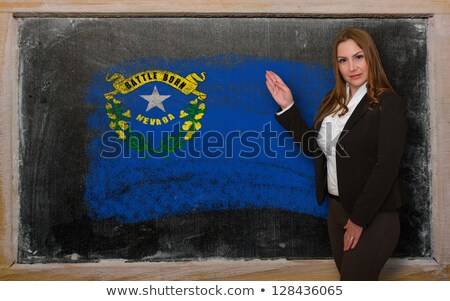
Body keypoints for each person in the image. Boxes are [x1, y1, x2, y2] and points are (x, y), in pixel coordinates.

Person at [265, 27, 407, 280]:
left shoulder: (388, 103)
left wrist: (359, 220)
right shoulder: (333, 101)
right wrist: (288, 106)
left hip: (372, 215)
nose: (351, 66)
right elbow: (315, 149)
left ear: (371, 58)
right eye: (343, 60)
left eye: (358, 57)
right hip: (337, 211)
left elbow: (386, 167)